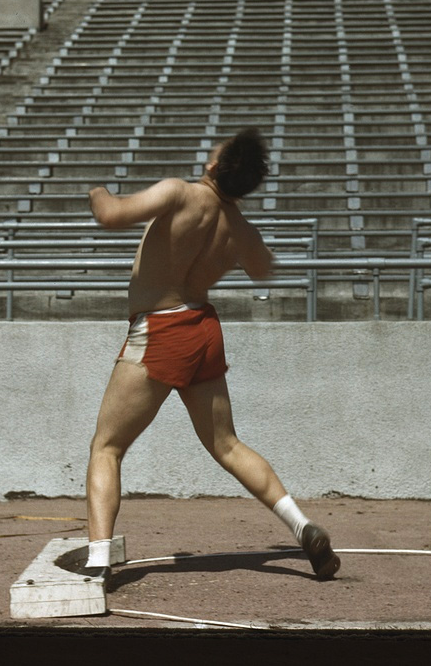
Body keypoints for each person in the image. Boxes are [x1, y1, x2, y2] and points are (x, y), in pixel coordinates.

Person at [82, 127, 340, 584]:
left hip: (161, 328)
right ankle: (302, 527)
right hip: (203, 327)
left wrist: (95, 187)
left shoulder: (179, 193)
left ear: (213, 166)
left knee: (107, 446)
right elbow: (263, 268)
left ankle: (99, 561)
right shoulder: (240, 228)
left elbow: (111, 215)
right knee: (227, 444)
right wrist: (233, 234)